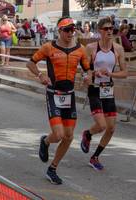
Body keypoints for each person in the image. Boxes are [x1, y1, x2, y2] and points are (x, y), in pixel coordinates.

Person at [26, 17, 91, 184]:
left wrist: (87, 77)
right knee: (59, 134)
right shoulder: (49, 47)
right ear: (59, 31)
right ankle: (46, 141)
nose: (71, 32)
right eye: (67, 29)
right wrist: (41, 75)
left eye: (73, 29)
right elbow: (31, 63)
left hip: (69, 95)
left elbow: (87, 69)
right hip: (53, 94)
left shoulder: (81, 49)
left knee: (68, 136)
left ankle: (52, 168)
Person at [81, 17, 127, 171]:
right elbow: (85, 70)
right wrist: (92, 74)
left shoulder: (118, 49)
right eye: (106, 29)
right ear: (100, 31)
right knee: (101, 125)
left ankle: (95, 157)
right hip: (94, 89)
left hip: (108, 89)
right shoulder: (91, 48)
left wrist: (111, 74)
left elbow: (125, 72)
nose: (110, 31)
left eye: (111, 28)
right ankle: (88, 134)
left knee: (111, 128)